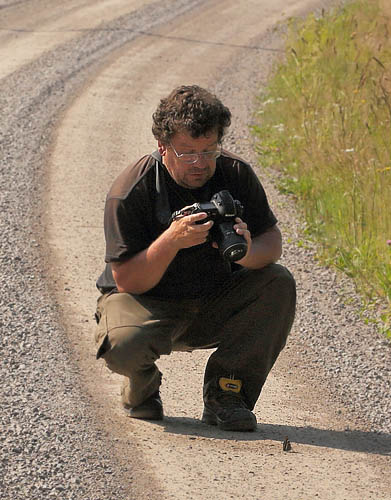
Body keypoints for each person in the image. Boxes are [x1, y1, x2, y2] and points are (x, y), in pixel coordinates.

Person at [94, 85, 296, 432]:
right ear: (163, 146)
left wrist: (246, 253)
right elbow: (127, 279)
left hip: (213, 300)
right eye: (187, 152)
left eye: (209, 150)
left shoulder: (234, 173)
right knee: (123, 344)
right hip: (148, 303)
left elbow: (272, 242)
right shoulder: (132, 189)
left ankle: (227, 395)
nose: (200, 163)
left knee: (278, 281)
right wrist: (172, 240)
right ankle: (141, 389)